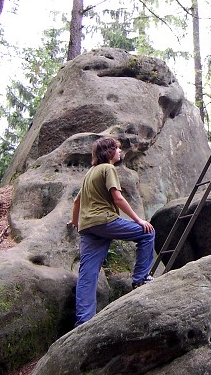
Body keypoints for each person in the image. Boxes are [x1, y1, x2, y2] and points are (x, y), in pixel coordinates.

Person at [69, 136, 156, 326]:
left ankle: (83, 321)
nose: (120, 151)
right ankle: (141, 278)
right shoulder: (108, 169)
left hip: (88, 227)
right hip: (104, 220)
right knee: (147, 233)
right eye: (117, 148)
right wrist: (138, 220)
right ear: (109, 152)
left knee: (88, 272)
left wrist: (75, 221)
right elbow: (117, 198)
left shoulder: (90, 173)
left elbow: (77, 201)